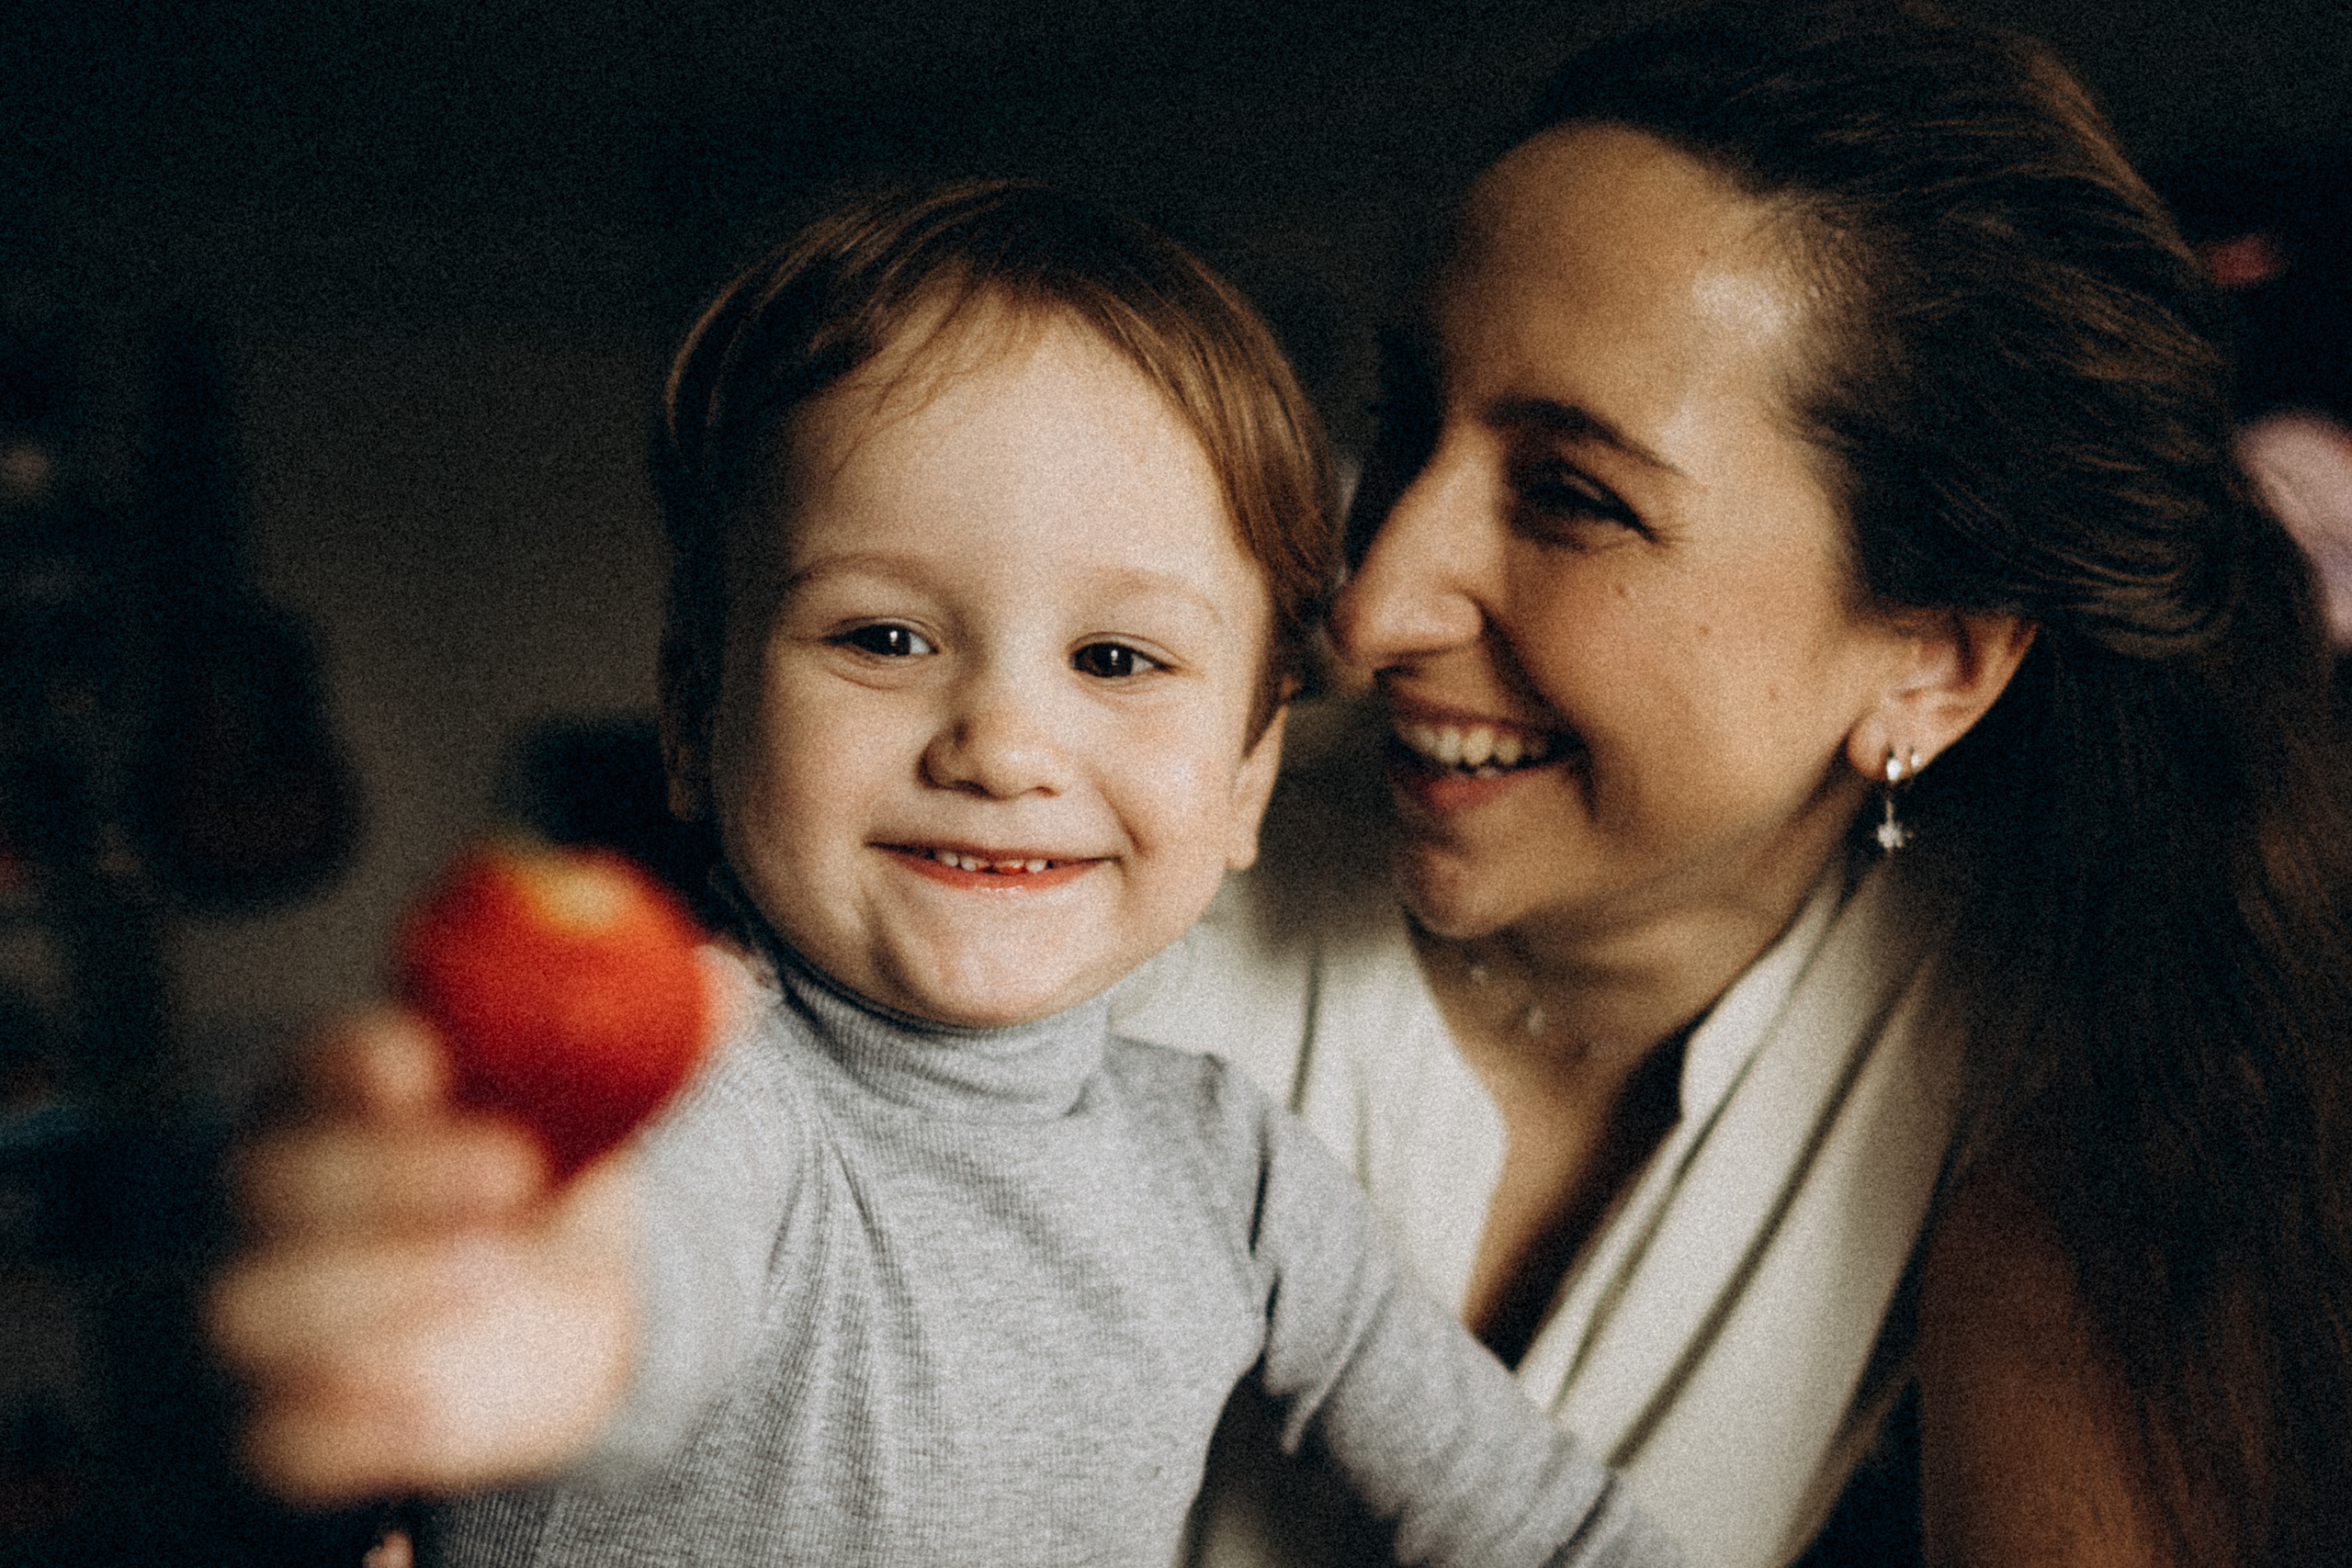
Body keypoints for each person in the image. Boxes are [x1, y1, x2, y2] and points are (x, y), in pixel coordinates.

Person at [205, 180, 1688, 1568]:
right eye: (884, 637)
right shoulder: (703, 1071)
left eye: (1117, 658)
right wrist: (558, 1314)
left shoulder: (1234, 1177)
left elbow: (1545, 1528)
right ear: (694, 713)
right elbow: (656, 1246)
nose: (1000, 743)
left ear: (1245, 781)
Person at [1114, 5, 2352, 1566]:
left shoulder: (2073, 1041)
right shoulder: (1109, 909)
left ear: (1933, 665)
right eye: (1403, 423)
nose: (1369, 609)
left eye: (1571, 498)